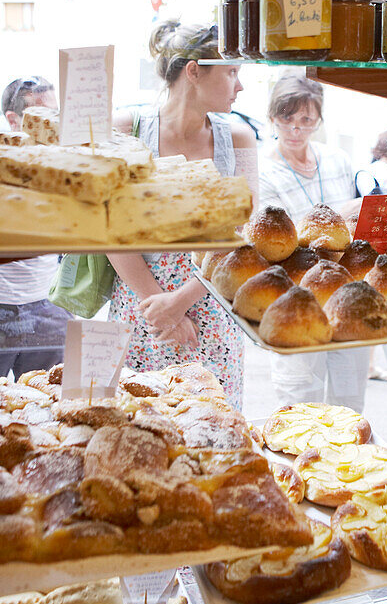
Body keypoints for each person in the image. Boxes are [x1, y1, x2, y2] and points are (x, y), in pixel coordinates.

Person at [108, 22, 258, 406]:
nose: (239, 86)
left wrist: (183, 300)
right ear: (194, 71)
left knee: (214, 429)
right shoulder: (128, 129)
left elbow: (246, 229)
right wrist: (162, 306)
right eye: (232, 73)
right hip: (143, 306)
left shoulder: (237, 137)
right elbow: (107, 227)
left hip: (212, 304)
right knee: (138, 427)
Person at [259, 74, 369, 410]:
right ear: (272, 117)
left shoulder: (337, 160)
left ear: (318, 120)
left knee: (349, 405)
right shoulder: (263, 171)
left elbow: (352, 228)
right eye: (286, 118)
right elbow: (275, 240)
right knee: (300, 405)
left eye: (306, 119)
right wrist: (342, 211)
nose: (295, 129)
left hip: (346, 294)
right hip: (297, 299)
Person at [0, 76, 73, 378]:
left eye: (54, 115)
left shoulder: (62, 168)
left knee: (48, 402)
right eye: (40, 117)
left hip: (49, 307)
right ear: (13, 120)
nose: (50, 125)